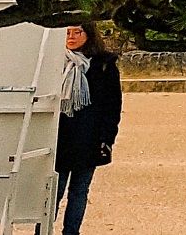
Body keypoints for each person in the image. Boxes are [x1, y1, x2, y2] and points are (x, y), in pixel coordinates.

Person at [55, 23, 121, 235]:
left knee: (79, 190)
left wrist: (106, 139)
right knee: (53, 190)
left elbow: (112, 106)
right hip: (59, 139)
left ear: (88, 34)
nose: (71, 37)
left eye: (77, 32)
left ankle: (71, 231)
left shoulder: (104, 65)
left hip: (88, 139)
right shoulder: (54, 62)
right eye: (67, 32)